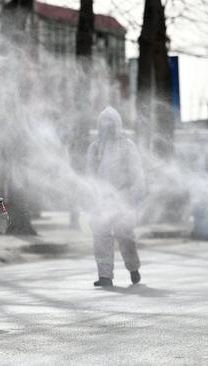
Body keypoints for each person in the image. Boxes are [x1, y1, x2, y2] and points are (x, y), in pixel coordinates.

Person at [85, 107, 145, 287]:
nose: (107, 127)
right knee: (100, 236)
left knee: (125, 235)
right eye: (104, 123)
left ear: (117, 124)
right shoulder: (95, 148)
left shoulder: (127, 146)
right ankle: (105, 275)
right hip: (102, 200)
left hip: (123, 196)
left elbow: (137, 172)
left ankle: (133, 267)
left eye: (111, 123)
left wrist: (136, 195)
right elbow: (89, 175)